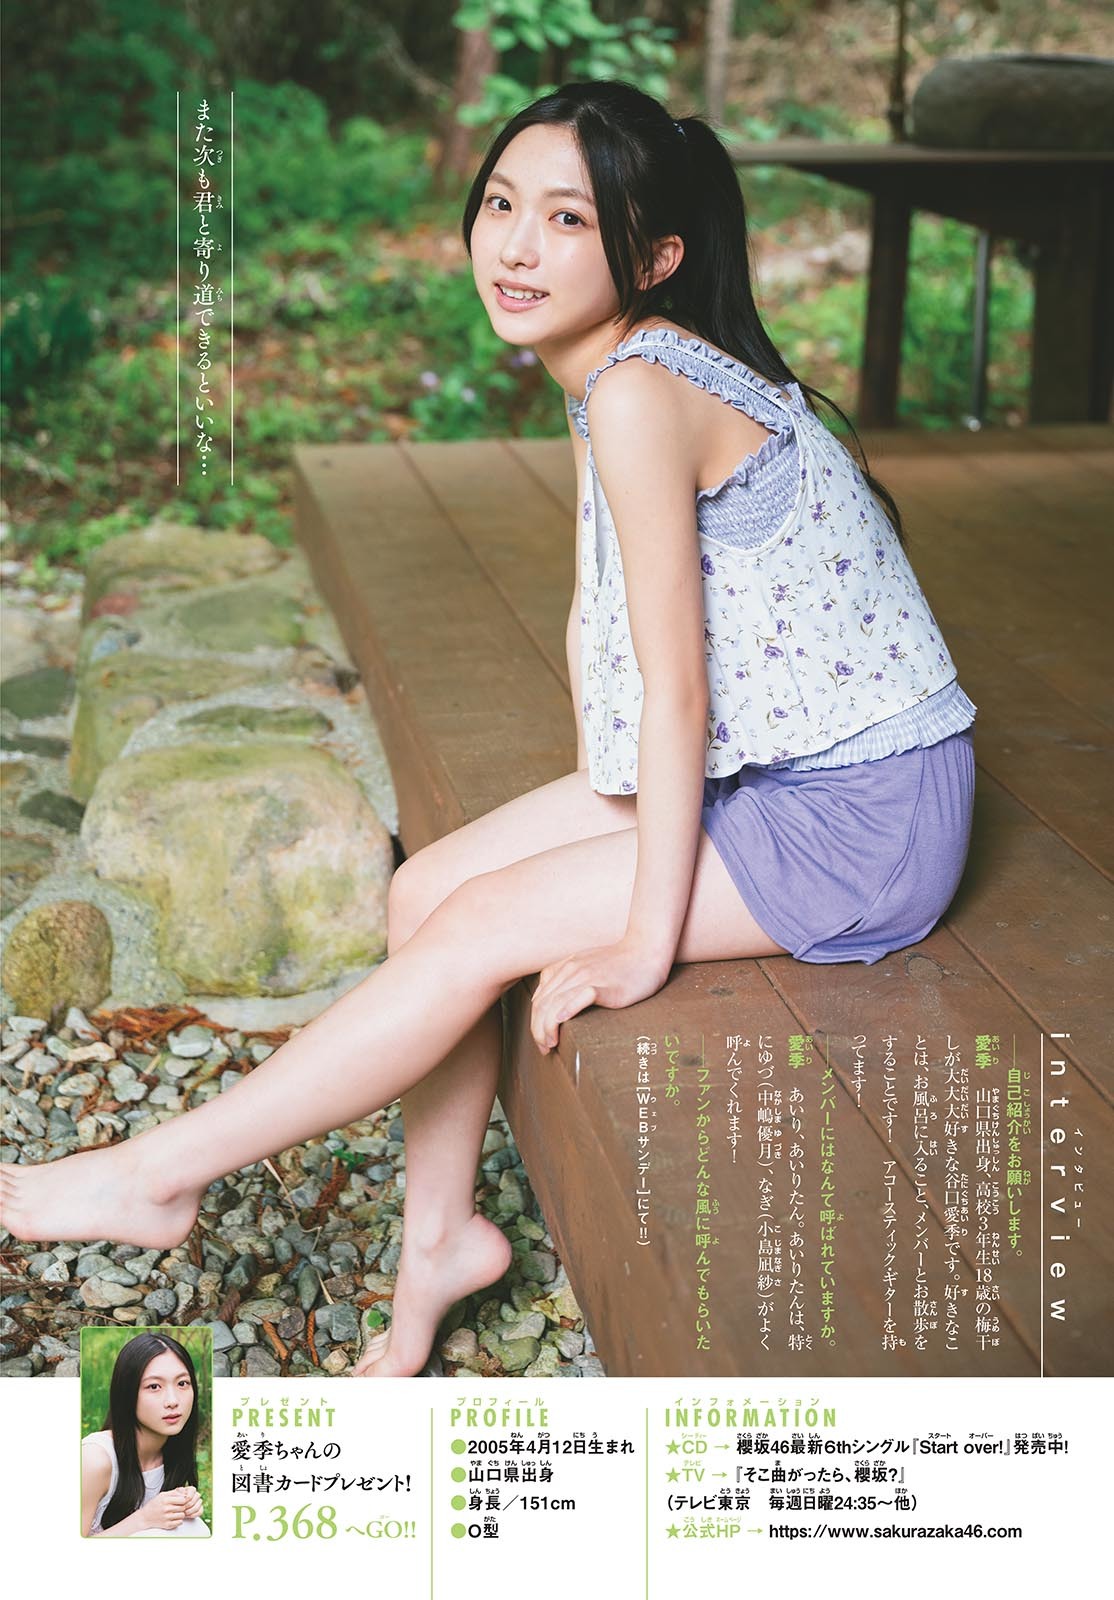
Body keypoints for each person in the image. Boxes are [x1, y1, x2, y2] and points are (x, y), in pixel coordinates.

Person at [1, 81, 975, 1379]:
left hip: (862, 813)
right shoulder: (611, 367)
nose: (515, 247)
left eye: (566, 219)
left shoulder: (639, 388)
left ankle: (155, 1173)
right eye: (501, 204)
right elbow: (604, 618)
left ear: (653, 257)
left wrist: (636, 938)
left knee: (473, 926)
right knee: (425, 891)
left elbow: (679, 689)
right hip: (774, 762)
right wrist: (592, 805)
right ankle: (439, 1245)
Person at [82, 1331, 209, 1536]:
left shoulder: (171, 1449)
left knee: (193, 1526)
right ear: (127, 1392)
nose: (173, 1401)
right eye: (154, 1386)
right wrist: (144, 1518)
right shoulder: (94, 1459)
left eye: (182, 1383)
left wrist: (182, 1503)